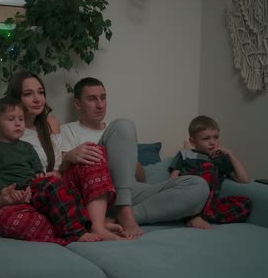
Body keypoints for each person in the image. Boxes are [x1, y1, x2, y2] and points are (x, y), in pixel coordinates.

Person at [0, 72, 128, 243]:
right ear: (16, 98)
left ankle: (96, 226)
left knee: (91, 152)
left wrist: (65, 162)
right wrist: (1, 199)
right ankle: (79, 226)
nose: (37, 99)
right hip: (24, 199)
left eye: (41, 92)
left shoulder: (50, 124)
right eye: (28, 94)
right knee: (8, 220)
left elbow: (54, 171)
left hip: (51, 189)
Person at [60, 77, 212, 235]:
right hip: (95, 194)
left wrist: (126, 159)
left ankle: (120, 217)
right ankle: (124, 214)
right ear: (77, 104)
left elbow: (141, 178)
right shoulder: (68, 131)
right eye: (92, 99)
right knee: (123, 125)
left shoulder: (117, 133)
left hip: (127, 191)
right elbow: (62, 177)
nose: (100, 105)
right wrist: (70, 156)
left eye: (103, 97)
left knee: (198, 186)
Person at [169, 115, 252, 225]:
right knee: (209, 167)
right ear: (193, 142)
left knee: (245, 203)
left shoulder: (221, 159)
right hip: (188, 198)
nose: (212, 142)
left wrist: (231, 155)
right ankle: (192, 215)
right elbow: (172, 180)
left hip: (210, 203)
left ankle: (201, 216)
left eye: (216, 137)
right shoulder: (185, 154)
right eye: (206, 138)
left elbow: (244, 179)